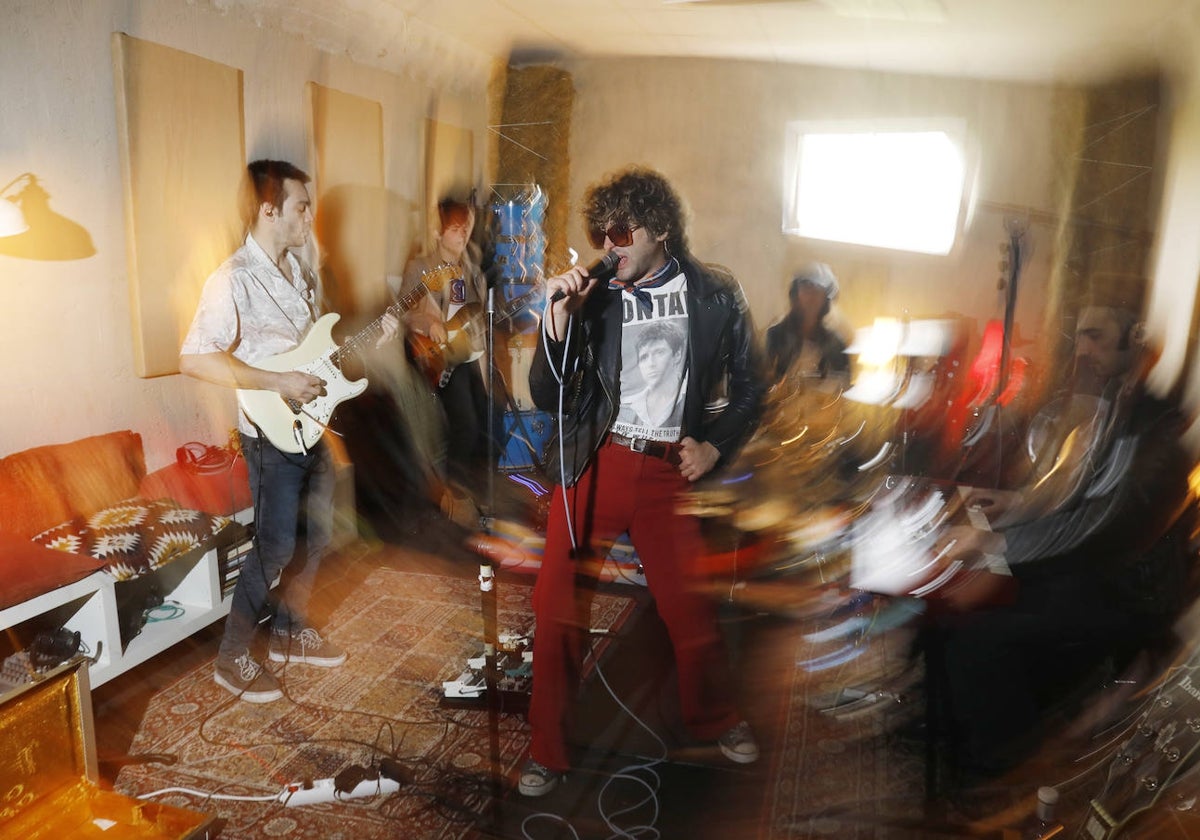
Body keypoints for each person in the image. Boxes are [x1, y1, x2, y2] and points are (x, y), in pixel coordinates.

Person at [520, 166, 768, 796]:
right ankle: (548, 747)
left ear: (658, 228)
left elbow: (750, 389)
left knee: (691, 607)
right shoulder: (594, 295)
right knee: (555, 608)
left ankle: (715, 716)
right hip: (596, 461)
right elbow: (546, 393)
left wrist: (715, 446)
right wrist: (556, 325)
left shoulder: (715, 293)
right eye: (599, 233)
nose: (608, 245)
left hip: (666, 471)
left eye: (620, 232)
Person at [922, 288, 1196, 788]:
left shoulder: (1160, 428)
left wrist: (997, 545)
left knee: (975, 632)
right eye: (1081, 336)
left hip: (1121, 593)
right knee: (950, 596)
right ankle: (946, 733)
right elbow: (1073, 496)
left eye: (1095, 337)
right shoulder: (1114, 405)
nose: (1081, 350)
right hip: (1083, 569)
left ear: (1133, 344)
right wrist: (1012, 507)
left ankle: (1005, 773)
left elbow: (1105, 528)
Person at [180, 159, 398, 703]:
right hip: (269, 432)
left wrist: (371, 337)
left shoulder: (296, 273)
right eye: (301, 206)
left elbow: (318, 356)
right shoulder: (231, 278)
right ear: (268, 208)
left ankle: (287, 633)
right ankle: (231, 658)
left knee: (318, 536)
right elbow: (193, 358)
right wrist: (276, 381)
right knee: (275, 546)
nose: (309, 217)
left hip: (313, 426)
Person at [396, 198, 491, 495]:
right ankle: (454, 493)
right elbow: (402, 312)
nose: (462, 235)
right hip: (436, 358)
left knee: (487, 417)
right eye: (454, 229)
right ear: (438, 233)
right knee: (466, 423)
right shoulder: (421, 267)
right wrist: (429, 324)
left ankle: (468, 488)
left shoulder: (471, 271)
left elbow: (476, 314)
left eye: (465, 229)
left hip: (464, 352)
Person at [763, 261, 849, 385]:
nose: (812, 297)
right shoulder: (774, 336)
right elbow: (761, 381)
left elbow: (842, 386)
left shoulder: (836, 344)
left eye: (818, 291)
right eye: (806, 289)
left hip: (820, 404)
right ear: (796, 294)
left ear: (826, 299)